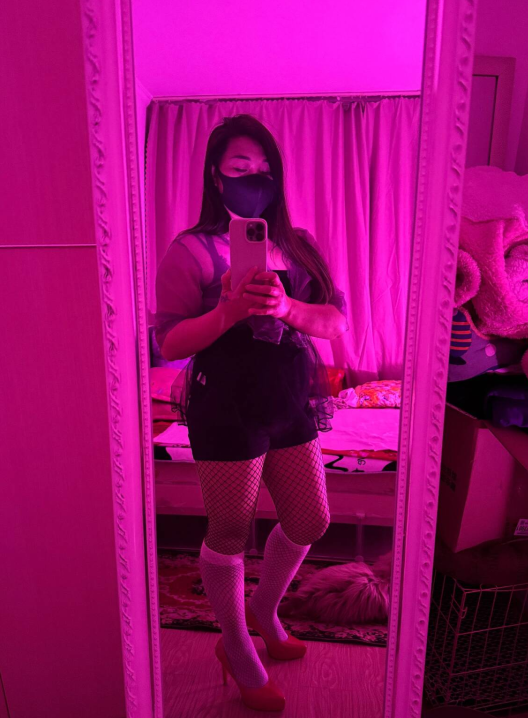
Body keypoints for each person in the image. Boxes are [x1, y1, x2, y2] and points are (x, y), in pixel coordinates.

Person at [154, 114, 348, 711]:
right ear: (216, 176)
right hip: (225, 403)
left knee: (311, 520)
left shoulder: (298, 243)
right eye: (240, 167)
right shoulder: (189, 249)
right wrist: (228, 312)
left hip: (289, 395)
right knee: (231, 531)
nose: (254, 178)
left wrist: (287, 308)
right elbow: (169, 341)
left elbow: (334, 322)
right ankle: (236, 645)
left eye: (265, 170)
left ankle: (263, 609)